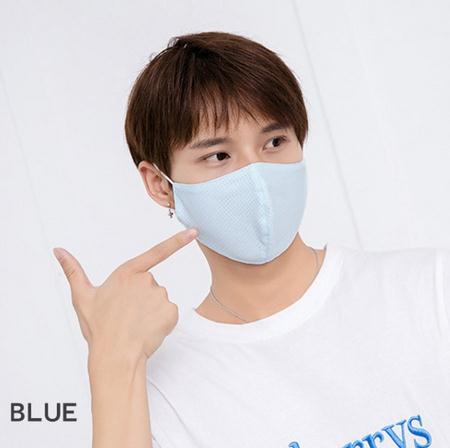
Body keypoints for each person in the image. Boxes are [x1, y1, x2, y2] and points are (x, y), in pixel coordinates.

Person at [54, 31, 450, 448]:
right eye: (218, 156)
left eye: (274, 142)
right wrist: (113, 362)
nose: (255, 173)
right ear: (160, 184)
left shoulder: (430, 290)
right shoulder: (158, 397)